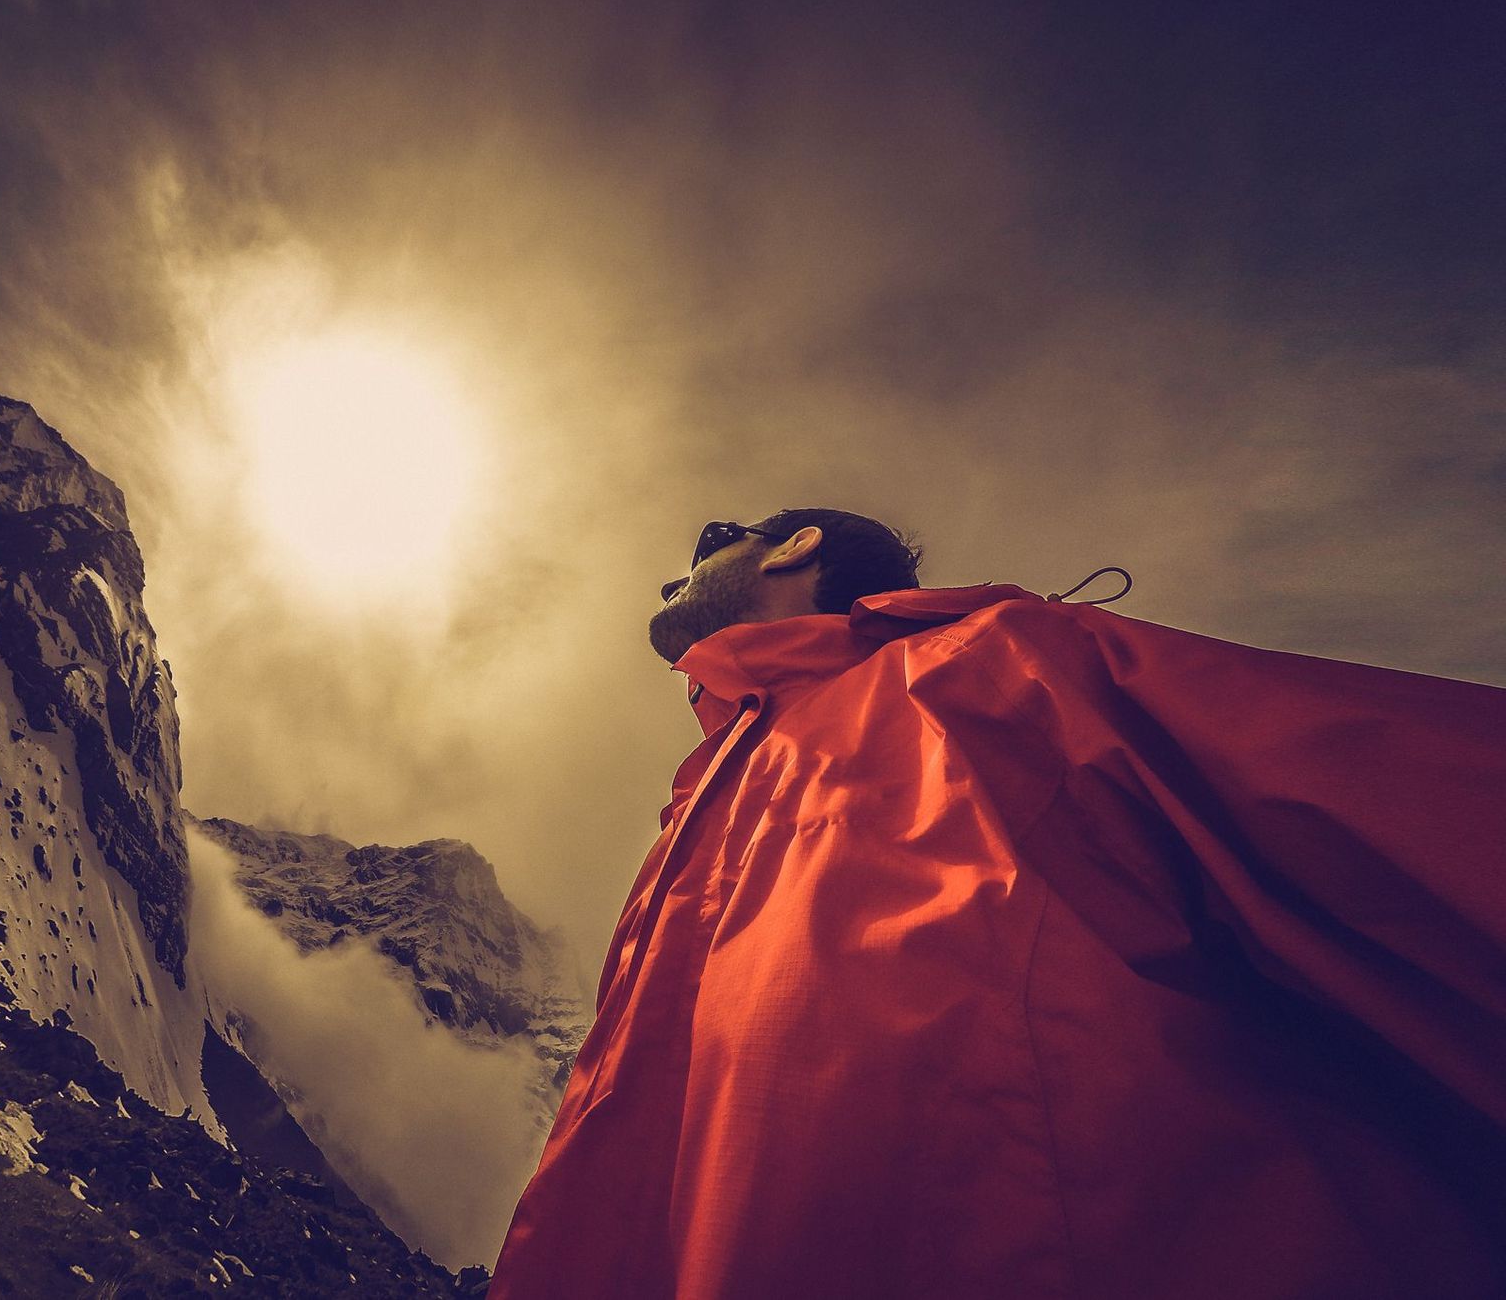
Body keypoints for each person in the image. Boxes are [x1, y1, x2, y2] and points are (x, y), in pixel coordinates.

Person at [487, 508, 1506, 1300]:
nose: (686, 560)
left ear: (794, 549)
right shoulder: (696, 813)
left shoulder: (992, 664)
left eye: (716, 536)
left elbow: (1359, 801)